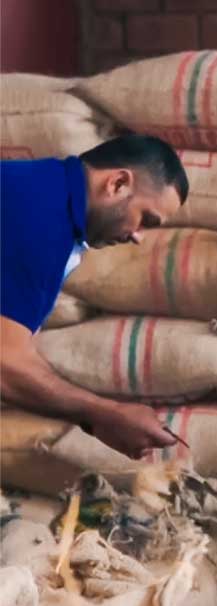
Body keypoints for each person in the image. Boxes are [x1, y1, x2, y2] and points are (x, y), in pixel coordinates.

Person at [0, 134, 189, 457]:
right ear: (117, 183)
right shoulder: (40, 221)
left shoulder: (44, 191)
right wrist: (105, 413)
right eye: (146, 219)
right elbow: (6, 362)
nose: (138, 237)